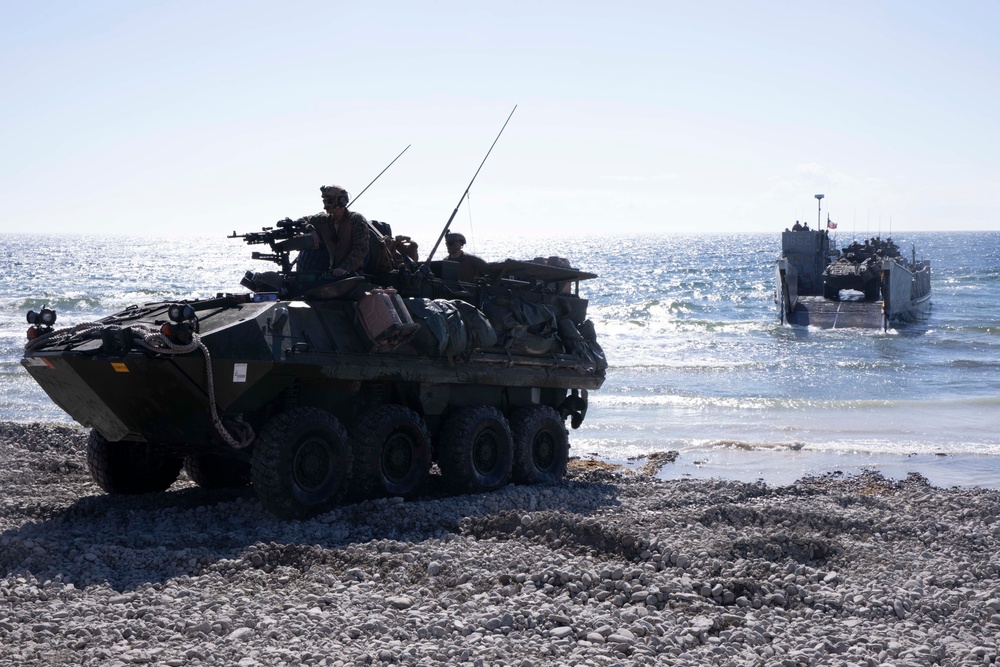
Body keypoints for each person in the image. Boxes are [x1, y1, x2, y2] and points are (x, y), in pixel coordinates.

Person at [296, 184, 370, 276]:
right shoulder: (324, 220)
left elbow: (361, 248)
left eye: (329, 200)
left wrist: (344, 268)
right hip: (333, 273)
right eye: (324, 201)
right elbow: (300, 221)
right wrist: (310, 230)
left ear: (341, 200)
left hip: (354, 273)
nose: (326, 204)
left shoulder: (355, 219)